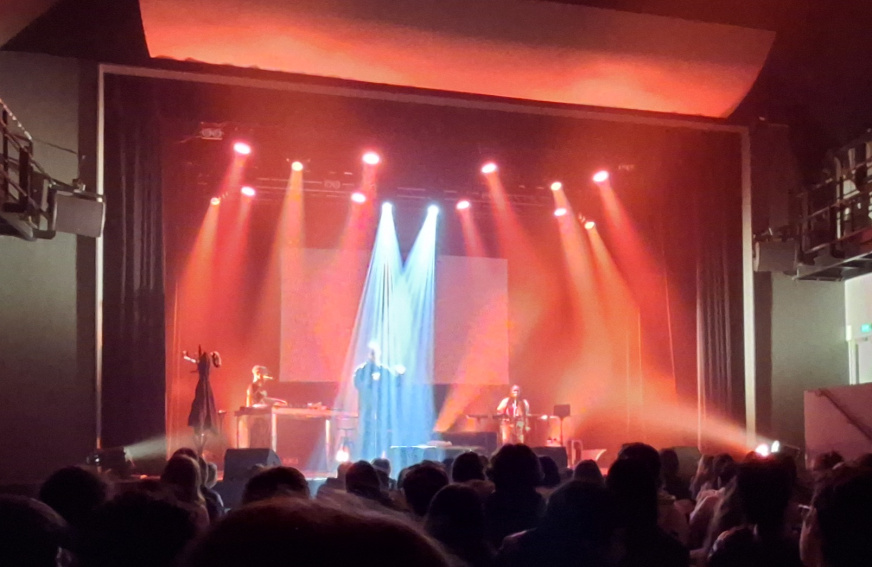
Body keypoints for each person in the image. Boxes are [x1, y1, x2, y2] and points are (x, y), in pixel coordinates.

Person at [353, 344, 402, 460]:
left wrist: (400, 375)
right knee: (366, 434)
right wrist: (371, 383)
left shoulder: (383, 370)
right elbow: (358, 384)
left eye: (375, 354)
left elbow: (394, 383)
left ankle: (378, 458)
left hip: (380, 410)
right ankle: (364, 458)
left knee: (380, 435)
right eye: (371, 353)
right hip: (367, 409)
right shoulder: (361, 370)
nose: (373, 356)